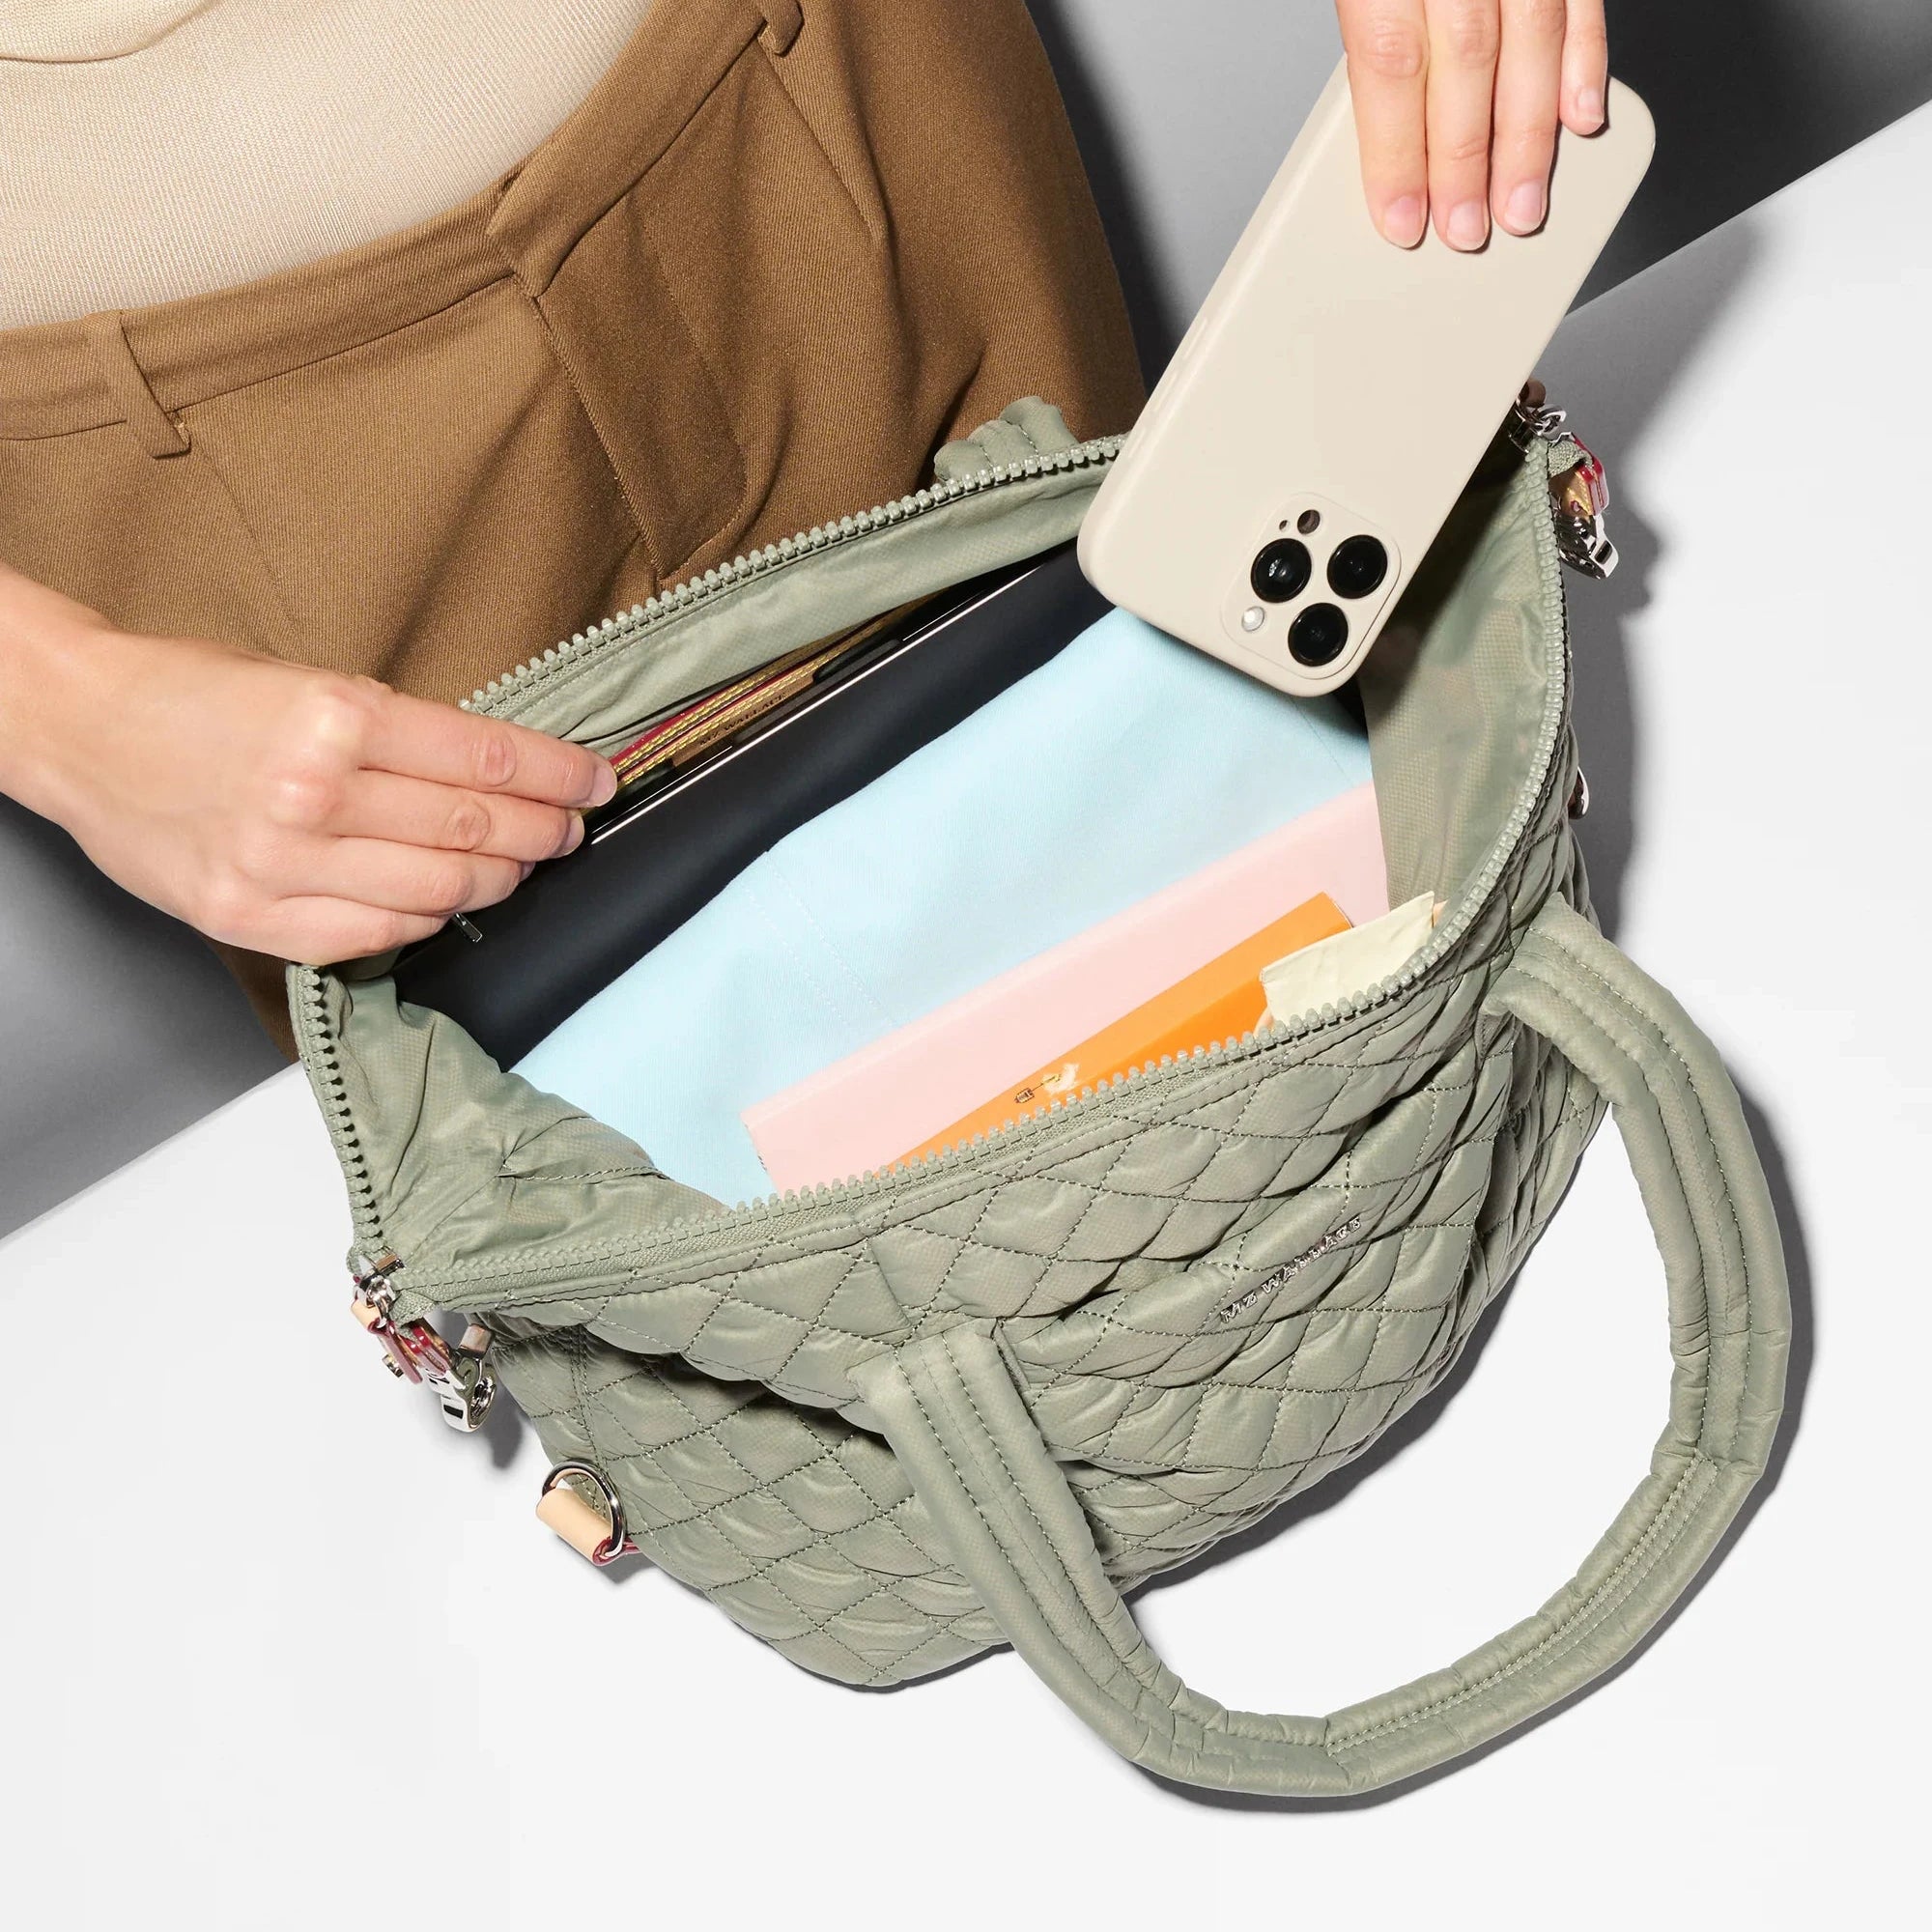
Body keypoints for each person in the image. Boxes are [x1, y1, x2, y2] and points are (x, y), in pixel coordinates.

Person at [0, 0, 1606, 1052]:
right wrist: (52, 701)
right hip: (190, 472)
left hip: (830, 71)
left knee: (1229, 832)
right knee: (653, 1148)